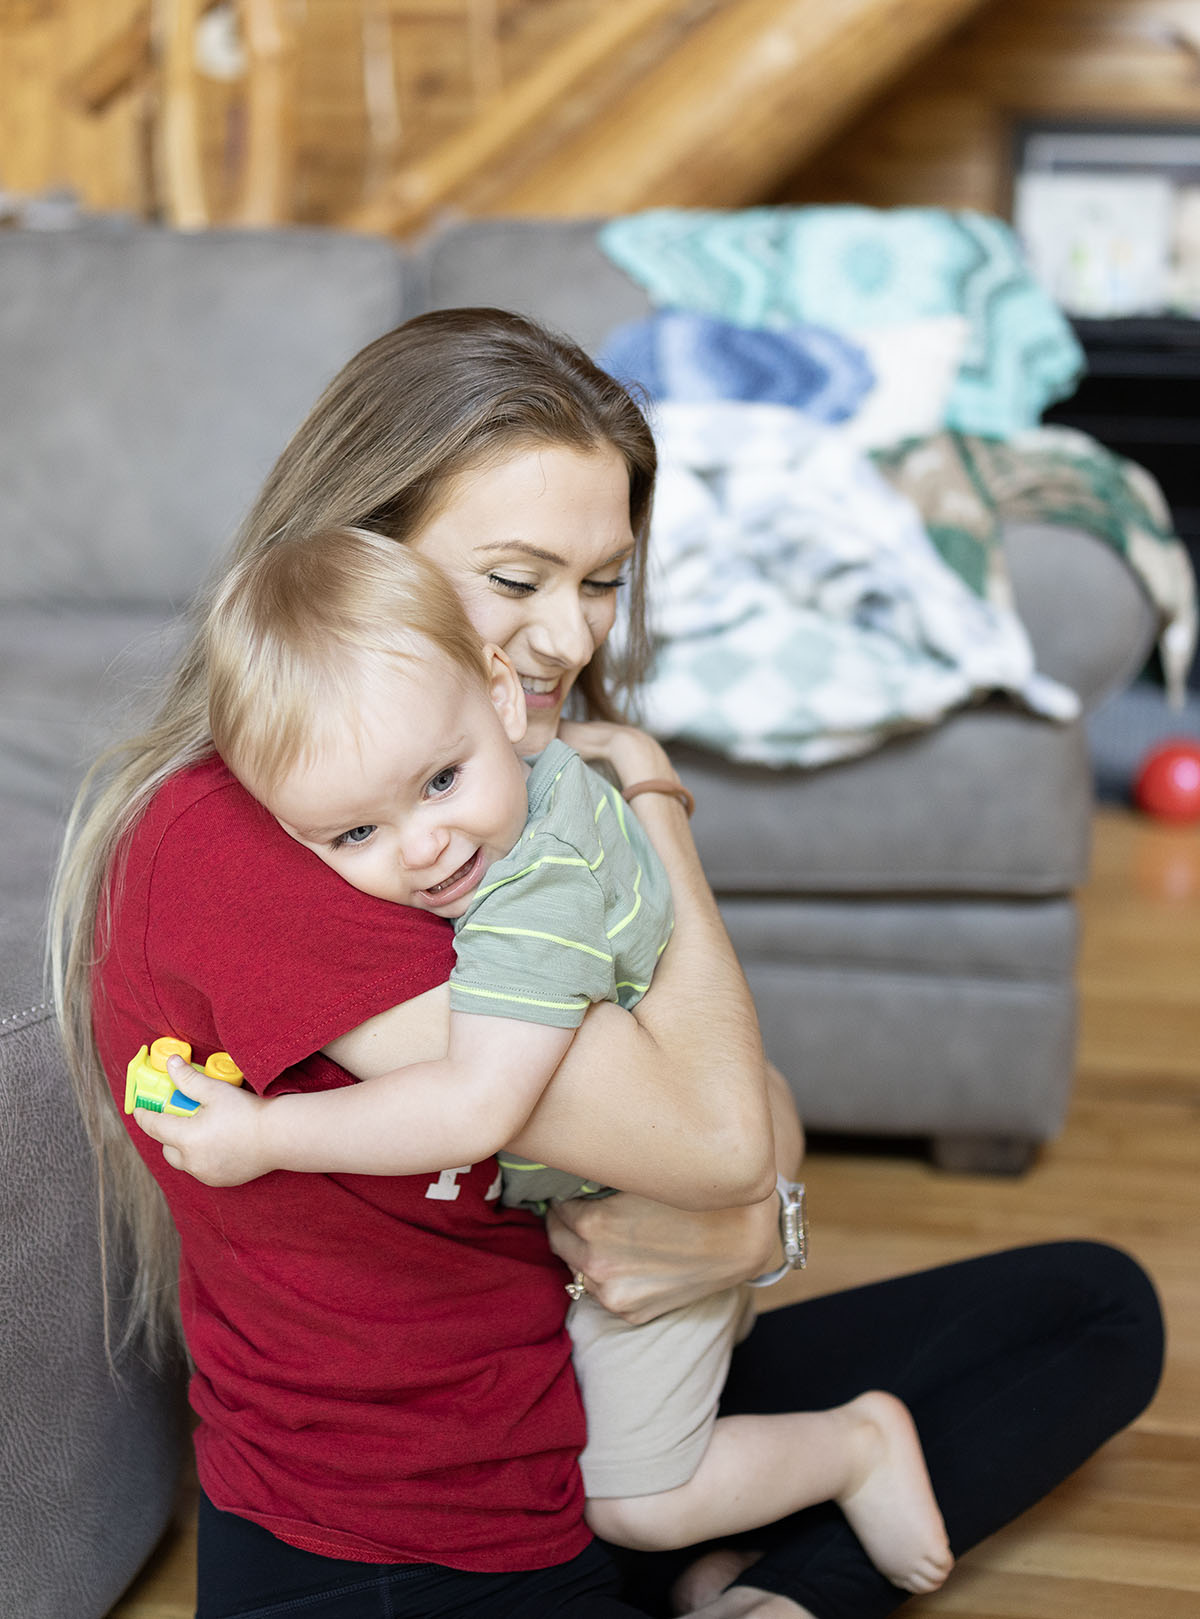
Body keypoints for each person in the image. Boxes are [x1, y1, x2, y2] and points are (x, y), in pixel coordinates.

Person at [51, 307, 1164, 1619]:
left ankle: (760, 1582)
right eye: (517, 579)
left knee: (1094, 1307)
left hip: (569, 1398)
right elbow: (717, 1138)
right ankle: (764, 1580)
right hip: (415, 1549)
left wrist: (752, 1222)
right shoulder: (259, 841)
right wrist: (650, 797)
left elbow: (751, 1122)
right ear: (363, 556)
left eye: (601, 581)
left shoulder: (488, 794)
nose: (575, 641)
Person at [133, 525, 953, 1596]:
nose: (422, 847)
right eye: (352, 836)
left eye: (437, 781)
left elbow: (476, 1104)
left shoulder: (533, 894)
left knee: (637, 1495)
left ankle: (855, 1445)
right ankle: (729, 1570)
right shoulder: (531, 781)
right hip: (623, 1213)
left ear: (497, 689)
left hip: (646, 1223)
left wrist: (260, 1132)